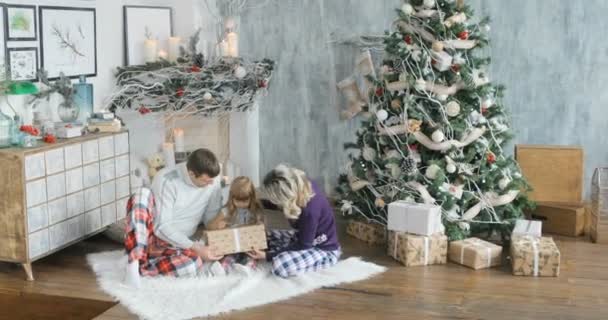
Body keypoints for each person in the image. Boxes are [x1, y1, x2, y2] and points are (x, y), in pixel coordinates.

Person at [124, 148, 224, 286]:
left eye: (212, 180)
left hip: (181, 245)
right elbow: (162, 226)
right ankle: (134, 262)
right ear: (191, 174)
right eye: (205, 181)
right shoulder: (166, 179)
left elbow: (210, 218)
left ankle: (144, 270)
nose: (211, 184)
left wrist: (225, 217)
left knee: (193, 264)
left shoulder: (213, 179)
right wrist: (195, 247)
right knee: (141, 195)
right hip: (155, 238)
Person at [247, 164, 341, 277]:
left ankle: (321, 262)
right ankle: (284, 252)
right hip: (302, 236)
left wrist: (267, 256)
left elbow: (304, 245)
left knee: (280, 265)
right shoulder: (301, 185)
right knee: (265, 234)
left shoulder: (310, 211)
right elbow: (276, 203)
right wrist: (256, 204)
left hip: (322, 249)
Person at [207, 176, 264, 276]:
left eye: (245, 201)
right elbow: (210, 226)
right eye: (237, 201)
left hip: (248, 246)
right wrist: (218, 226)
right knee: (228, 257)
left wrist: (257, 225)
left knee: (251, 257)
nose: (241, 204)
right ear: (231, 198)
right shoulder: (227, 210)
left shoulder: (256, 211)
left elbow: (261, 230)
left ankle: (247, 268)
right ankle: (222, 268)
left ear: (252, 198)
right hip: (232, 246)